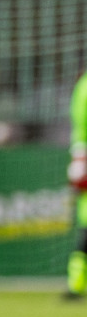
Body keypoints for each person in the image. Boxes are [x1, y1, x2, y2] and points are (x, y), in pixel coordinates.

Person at [66, 69, 87, 300]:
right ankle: (76, 284)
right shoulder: (84, 86)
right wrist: (80, 157)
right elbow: (80, 126)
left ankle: (76, 283)